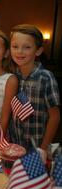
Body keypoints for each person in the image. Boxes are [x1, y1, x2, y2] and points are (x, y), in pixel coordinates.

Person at [9, 24, 60, 154]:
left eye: (27, 47)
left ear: (38, 51)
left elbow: (55, 116)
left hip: (36, 145)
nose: (20, 51)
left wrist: (43, 148)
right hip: (14, 145)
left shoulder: (45, 77)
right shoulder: (11, 75)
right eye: (15, 46)